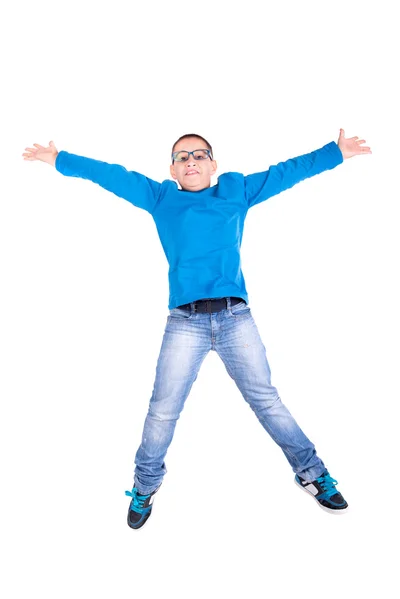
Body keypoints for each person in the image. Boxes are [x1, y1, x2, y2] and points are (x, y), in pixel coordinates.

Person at [22, 128, 371, 528]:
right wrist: (59, 158)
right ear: (172, 169)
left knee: (267, 400)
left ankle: (312, 474)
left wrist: (335, 153)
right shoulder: (161, 198)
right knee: (162, 411)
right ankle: (145, 485)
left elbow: (284, 173)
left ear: (213, 165)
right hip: (184, 322)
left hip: (235, 318)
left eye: (199, 155)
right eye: (182, 156)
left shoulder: (236, 191)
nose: (191, 161)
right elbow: (112, 175)